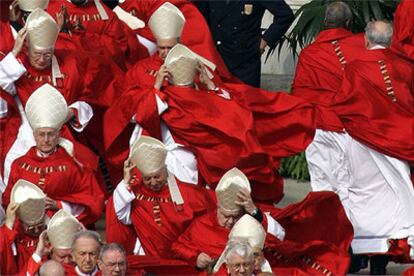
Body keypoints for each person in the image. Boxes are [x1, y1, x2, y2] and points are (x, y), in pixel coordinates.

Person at [308, 21, 414, 275]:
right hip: (395, 145)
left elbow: (343, 103)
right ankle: (380, 261)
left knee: (363, 198)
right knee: (391, 200)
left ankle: (362, 255)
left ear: (366, 40)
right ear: (390, 42)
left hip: (363, 144)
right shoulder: (406, 68)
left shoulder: (354, 69)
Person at [171, 168, 353, 275]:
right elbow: (177, 246)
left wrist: (255, 213)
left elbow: (280, 236)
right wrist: (195, 257)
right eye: (226, 215)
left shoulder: (253, 216)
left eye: (235, 217)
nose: (230, 222)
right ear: (217, 208)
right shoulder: (201, 225)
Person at [2, 84, 104, 225]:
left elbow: (93, 200)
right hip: (26, 233)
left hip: (63, 228)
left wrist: (59, 204)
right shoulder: (19, 164)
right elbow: (8, 200)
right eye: (41, 134)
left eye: (50, 134)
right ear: (34, 135)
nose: (46, 140)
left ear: (59, 134)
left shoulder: (74, 164)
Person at [106, 135, 215, 256]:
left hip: (184, 258)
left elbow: (211, 215)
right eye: (147, 178)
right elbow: (121, 215)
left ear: (165, 170)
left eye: (157, 177)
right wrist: (126, 181)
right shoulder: (135, 194)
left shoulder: (187, 193)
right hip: (151, 261)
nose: (153, 182)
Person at [291, 1, 365, 134]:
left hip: (318, 124)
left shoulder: (309, 53)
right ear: (348, 22)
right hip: (354, 123)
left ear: (325, 22)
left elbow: (300, 92)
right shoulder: (361, 46)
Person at [195, 0, 294, 87]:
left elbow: (285, 15)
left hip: (245, 61)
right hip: (216, 58)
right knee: (218, 104)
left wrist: (264, 41)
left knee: (247, 103)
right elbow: (199, 16)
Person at [0, 179, 46, 274]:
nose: (37, 230)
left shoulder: (52, 228)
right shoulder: (13, 235)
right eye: (31, 228)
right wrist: (9, 224)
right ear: (20, 222)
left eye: (40, 226)